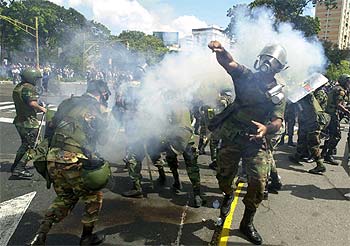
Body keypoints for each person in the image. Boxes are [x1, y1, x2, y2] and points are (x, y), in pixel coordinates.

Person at [208, 40, 287, 245]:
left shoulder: (278, 93)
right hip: (233, 136)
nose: (266, 65)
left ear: (278, 68)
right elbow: (229, 63)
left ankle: (247, 222)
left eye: (273, 63)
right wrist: (222, 51)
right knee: (224, 177)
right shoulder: (247, 77)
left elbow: (278, 121)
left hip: (256, 141)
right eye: (265, 59)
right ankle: (227, 195)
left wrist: (266, 129)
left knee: (259, 184)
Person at [29, 80, 111, 245]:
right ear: (102, 93)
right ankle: (87, 238)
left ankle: (41, 233)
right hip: (72, 159)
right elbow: (103, 140)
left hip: (52, 158)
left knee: (66, 197)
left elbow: (51, 126)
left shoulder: (67, 102)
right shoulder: (98, 109)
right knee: (93, 196)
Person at [11, 68, 46, 179]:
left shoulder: (19, 87)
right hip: (29, 122)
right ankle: (19, 168)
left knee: (25, 145)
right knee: (33, 146)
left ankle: (16, 165)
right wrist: (42, 108)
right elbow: (32, 103)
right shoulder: (29, 88)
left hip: (20, 121)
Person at [288, 92, 330, 174]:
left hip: (313, 121)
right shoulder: (306, 96)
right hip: (308, 121)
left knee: (313, 143)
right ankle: (297, 156)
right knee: (302, 138)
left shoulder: (308, 96)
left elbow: (304, 109)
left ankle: (320, 165)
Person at [322, 74, 350, 165]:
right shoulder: (340, 90)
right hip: (333, 114)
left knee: (330, 134)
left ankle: (324, 153)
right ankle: (328, 155)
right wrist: (347, 112)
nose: (349, 83)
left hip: (328, 113)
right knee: (337, 135)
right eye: (347, 81)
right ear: (343, 81)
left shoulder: (336, 88)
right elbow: (338, 104)